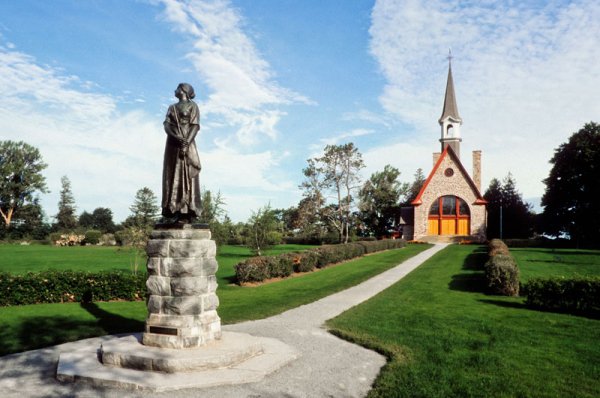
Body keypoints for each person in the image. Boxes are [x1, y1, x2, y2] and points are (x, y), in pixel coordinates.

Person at [161, 83, 201, 223]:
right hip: (172, 143)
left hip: (188, 142)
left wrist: (186, 142)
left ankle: (188, 210)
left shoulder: (193, 106)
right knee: (172, 175)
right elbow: (166, 125)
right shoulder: (171, 107)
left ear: (183, 91)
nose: (175, 90)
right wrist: (176, 137)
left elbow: (195, 126)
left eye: (177, 88)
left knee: (187, 174)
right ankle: (172, 210)